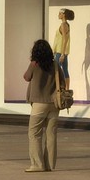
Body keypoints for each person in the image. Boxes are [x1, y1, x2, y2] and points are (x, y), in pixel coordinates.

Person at [23, 39, 60, 172]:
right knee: (51, 135)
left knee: (34, 133)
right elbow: (61, 80)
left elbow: (26, 77)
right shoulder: (55, 65)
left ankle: (37, 165)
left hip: (39, 104)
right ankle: (49, 165)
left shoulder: (34, 64)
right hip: (54, 104)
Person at [54, 8, 74, 88]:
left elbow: (64, 39)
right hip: (61, 52)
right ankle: (66, 89)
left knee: (56, 71)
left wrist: (62, 54)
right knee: (65, 70)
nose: (58, 15)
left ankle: (61, 89)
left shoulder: (63, 25)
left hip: (60, 52)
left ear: (63, 15)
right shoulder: (65, 25)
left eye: (60, 13)